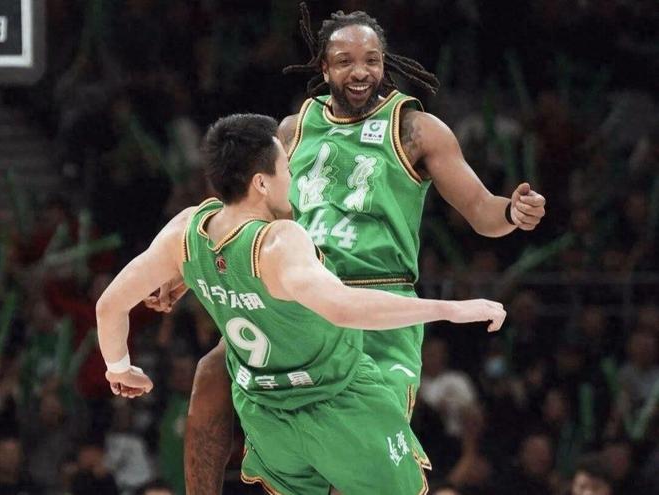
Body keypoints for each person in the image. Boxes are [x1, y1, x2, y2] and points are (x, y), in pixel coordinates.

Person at [150, 5, 546, 491]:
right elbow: (245, 211)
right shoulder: (292, 130)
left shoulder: (415, 129)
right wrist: (182, 269)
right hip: (300, 293)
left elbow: (482, 211)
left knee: (359, 456)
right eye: (345, 61)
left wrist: (512, 212)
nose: (360, 71)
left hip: (378, 299)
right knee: (213, 371)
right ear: (324, 68)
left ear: (384, 63)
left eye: (371, 60)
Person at [97, 113, 507, 494]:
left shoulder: (184, 232)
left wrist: (119, 367)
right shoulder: (279, 241)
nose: (292, 178)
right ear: (262, 183)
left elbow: (109, 306)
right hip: (337, 404)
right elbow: (344, 308)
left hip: (267, 417)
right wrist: (452, 310)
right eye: (287, 169)